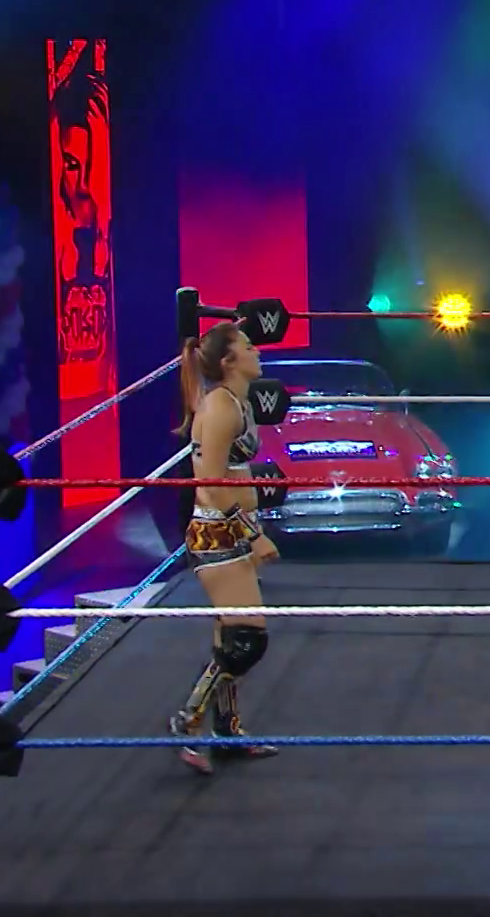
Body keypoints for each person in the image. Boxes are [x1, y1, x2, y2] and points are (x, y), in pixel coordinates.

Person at [170, 322, 281, 774]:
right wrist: (252, 535)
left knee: (230, 636)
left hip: (232, 530)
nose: (258, 352)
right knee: (246, 639)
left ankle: (228, 731)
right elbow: (210, 484)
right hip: (217, 533)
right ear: (228, 361)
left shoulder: (238, 402)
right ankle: (186, 721)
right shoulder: (219, 408)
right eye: (249, 346)